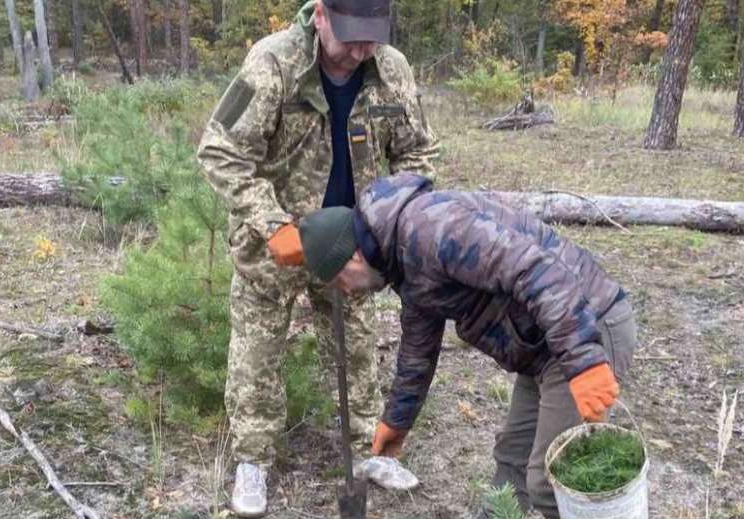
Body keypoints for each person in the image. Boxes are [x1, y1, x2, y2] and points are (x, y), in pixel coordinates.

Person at [196, 0, 437, 515]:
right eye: (351, 36)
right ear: (321, 15)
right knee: (258, 352)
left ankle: (365, 451)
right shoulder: (271, 64)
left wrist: (388, 224)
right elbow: (219, 150)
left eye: (372, 36)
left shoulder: (391, 69)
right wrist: (273, 224)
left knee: (354, 346)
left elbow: (416, 153)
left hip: (351, 241)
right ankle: (252, 462)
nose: (361, 49)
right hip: (274, 247)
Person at [295, 173, 637, 518]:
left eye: (340, 282)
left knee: (552, 484)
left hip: (586, 326)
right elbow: (417, 349)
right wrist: (397, 422)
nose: (347, 291)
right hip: (544, 347)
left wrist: (584, 361)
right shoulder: (401, 259)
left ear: (352, 258)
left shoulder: (435, 230)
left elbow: (537, 272)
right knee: (511, 461)